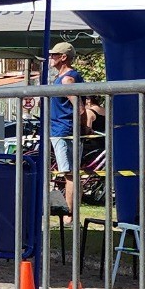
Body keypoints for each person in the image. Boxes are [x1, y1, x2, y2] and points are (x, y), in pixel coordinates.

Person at [46, 43, 83, 208]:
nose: (51, 57)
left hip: (64, 131)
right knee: (70, 174)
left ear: (63, 57)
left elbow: (80, 108)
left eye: (54, 54)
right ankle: (70, 213)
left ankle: (70, 216)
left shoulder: (67, 79)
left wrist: (83, 127)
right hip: (61, 130)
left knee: (70, 176)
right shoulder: (63, 78)